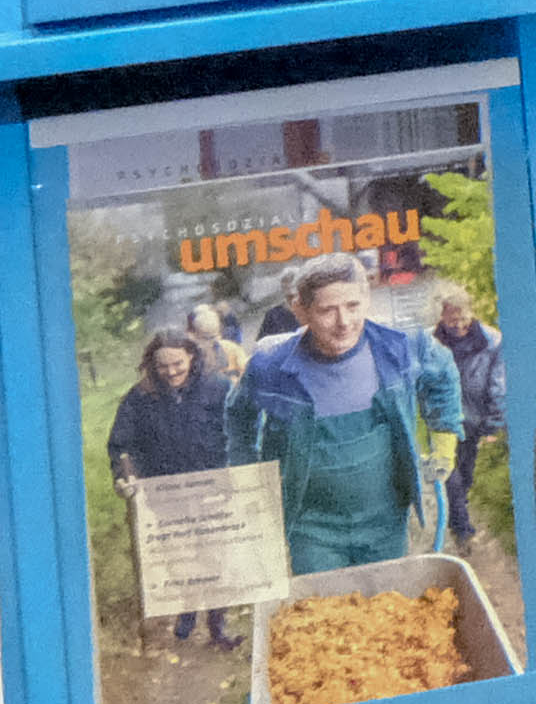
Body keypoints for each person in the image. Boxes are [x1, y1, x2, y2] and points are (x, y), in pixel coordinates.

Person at [237, 255, 465, 576]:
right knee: (325, 603)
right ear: (300, 310)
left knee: (386, 599)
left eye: (353, 306)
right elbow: (237, 415)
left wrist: (444, 442)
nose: (344, 322)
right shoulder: (270, 367)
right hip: (311, 527)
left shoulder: (403, 347)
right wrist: (247, 475)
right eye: (327, 310)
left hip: (387, 519)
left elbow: (442, 376)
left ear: (367, 299)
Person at [105, 332, 241, 645]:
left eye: (177, 363)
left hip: (212, 490)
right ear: (151, 365)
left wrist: (240, 472)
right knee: (181, 557)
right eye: (162, 366)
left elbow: (240, 431)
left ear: (192, 356)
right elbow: (121, 446)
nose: (171, 372)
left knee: (215, 557)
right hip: (165, 495)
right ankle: (187, 612)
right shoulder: (140, 398)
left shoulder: (219, 388)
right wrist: (125, 476)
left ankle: (218, 626)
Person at [417, 282, 508, 549]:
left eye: (462, 317)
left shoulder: (491, 341)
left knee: (465, 476)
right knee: (450, 477)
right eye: (452, 319)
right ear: (441, 317)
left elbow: (498, 385)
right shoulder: (429, 344)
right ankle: (463, 531)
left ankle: (459, 517)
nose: (458, 324)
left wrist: (493, 425)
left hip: (474, 421)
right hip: (441, 422)